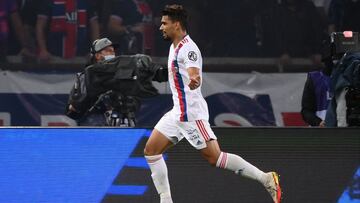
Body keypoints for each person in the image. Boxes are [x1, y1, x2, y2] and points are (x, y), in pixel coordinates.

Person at [143, 4, 282, 203]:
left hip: (191, 114)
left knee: (215, 158)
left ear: (177, 24)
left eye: (164, 23)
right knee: (151, 151)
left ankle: (266, 178)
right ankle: (166, 200)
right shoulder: (173, 46)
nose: (160, 27)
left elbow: (194, 74)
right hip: (177, 113)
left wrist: (195, 79)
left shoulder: (189, 48)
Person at [66, 38, 119, 126]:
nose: (112, 54)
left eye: (113, 51)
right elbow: (74, 107)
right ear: (97, 56)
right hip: (94, 118)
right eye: (108, 51)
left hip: (116, 117)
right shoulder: (86, 76)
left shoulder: (118, 74)